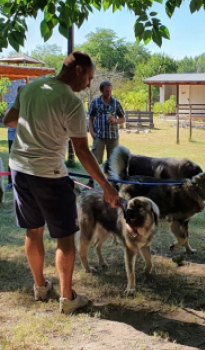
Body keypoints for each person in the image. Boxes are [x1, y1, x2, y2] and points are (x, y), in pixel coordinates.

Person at [4, 52, 120, 314]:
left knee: (33, 232)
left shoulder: (30, 88)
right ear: (78, 70)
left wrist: (36, 124)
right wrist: (106, 186)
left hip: (20, 171)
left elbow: (9, 120)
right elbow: (82, 151)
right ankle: (67, 299)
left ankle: (40, 287)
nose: (89, 84)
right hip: (50, 176)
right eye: (89, 77)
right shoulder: (70, 101)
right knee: (65, 239)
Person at [86, 80, 125, 188]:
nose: (109, 93)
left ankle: (112, 184)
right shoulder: (95, 103)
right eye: (107, 91)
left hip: (113, 137)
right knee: (94, 160)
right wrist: (92, 132)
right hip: (99, 136)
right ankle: (91, 182)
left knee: (112, 161)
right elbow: (90, 119)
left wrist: (116, 121)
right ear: (101, 91)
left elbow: (123, 118)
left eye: (110, 91)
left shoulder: (116, 103)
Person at [5, 85, 25, 192]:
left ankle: (21, 182)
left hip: (24, 138)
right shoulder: (13, 105)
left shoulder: (27, 104)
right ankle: (10, 182)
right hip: (13, 136)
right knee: (12, 159)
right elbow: (8, 119)